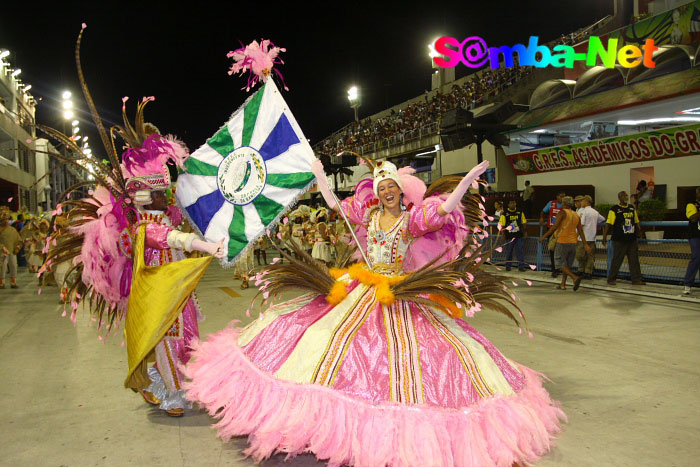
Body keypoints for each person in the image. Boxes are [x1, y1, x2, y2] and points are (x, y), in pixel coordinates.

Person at [184, 159, 566, 467]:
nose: (385, 193)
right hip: (361, 286)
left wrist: (465, 182)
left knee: (416, 356)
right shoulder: (366, 216)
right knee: (324, 341)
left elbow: (444, 209)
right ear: (376, 192)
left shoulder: (412, 219)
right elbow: (336, 206)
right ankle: (323, 422)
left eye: (391, 188)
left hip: (397, 292)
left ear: (401, 193)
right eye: (380, 188)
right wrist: (318, 175)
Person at [539, 196, 590, 291]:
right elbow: (580, 230)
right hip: (573, 242)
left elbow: (554, 227)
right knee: (567, 265)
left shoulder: (562, 213)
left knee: (558, 263)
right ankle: (563, 284)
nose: (561, 204)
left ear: (565, 204)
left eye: (562, 203)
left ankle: (575, 278)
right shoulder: (576, 214)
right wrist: (585, 244)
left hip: (562, 241)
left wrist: (544, 236)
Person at [602, 191, 645, 286]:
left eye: (626, 195)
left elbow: (636, 221)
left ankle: (636, 279)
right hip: (619, 239)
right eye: (623, 195)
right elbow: (609, 223)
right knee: (617, 259)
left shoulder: (631, 208)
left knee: (634, 260)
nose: (625, 197)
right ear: (619, 197)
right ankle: (611, 279)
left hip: (631, 238)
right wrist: (604, 236)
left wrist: (639, 231)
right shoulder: (614, 209)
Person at [576, 195, 604, 279]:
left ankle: (581, 270)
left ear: (586, 202)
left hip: (583, 237)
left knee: (580, 255)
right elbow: (602, 219)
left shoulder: (584, 212)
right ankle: (588, 272)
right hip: (592, 237)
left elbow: (581, 224)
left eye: (583, 201)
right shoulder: (595, 212)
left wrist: (576, 235)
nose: (581, 203)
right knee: (590, 256)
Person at [540, 191, 565, 277]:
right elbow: (543, 211)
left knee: (561, 250)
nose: (562, 198)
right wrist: (541, 218)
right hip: (551, 229)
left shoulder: (565, 205)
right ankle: (554, 269)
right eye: (561, 196)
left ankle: (561, 268)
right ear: (557, 196)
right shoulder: (551, 203)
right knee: (552, 249)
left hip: (561, 230)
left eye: (564, 197)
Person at [498, 199, 527, 271]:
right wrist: (503, 235)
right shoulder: (504, 214)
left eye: (514, 203)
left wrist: (525, 232)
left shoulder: (520, 212)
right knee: (509, 251)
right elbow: (502, 225)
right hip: (509, 236)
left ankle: (521, 266)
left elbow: (524, 223)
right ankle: (508, 266)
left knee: (520, 250)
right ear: (508, 205)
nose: (513, 204)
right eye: (511, 203)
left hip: (519, 235)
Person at [683, 187, 700, 295]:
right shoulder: (691, 204)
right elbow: (693, 218)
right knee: (697, 257)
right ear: (697, 194)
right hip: (695, 235)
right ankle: (687, 284)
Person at [0, 209, 22, 289]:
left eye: (6, 219)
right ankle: (1, 283)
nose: (5, 221)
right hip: (2, 252)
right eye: (3, 220)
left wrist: (17, 248)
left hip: (12, 251)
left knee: (13, 266)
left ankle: (13, 283)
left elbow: (19, 240)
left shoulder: (12, 230)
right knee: (3, 267)